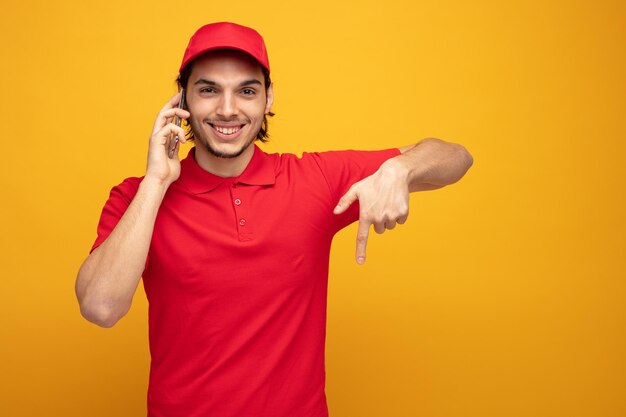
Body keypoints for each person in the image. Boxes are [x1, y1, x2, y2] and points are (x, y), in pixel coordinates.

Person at [75, 22, 472, 417]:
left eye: (246, 91)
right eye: (208, 89)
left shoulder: (312, 181)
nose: (227, 109)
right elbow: (100, 307)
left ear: (268, 99)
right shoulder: (136, 197)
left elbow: (455, 157)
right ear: (182, 99)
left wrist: (400, 170)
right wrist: (157, 181)